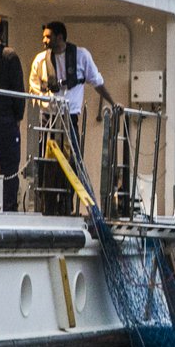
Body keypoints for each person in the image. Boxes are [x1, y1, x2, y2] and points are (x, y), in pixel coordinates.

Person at [28, 21, 117, 214]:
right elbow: (34, 86)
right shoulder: (40, 60)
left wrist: (112, 101)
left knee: (71, 160)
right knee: (47, 162)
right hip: (48, 119)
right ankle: (48, 204)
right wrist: (47, 99)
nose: (44, 40)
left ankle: (67, 201)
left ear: (60, 37)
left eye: (48, 37)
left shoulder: (81, 56)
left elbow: (96, 81)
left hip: (70, 117)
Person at [0, 14, 26, 213]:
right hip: (5, 119)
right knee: (10, 168)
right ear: (2, 32)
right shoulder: (9, 55)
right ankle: (9, 207)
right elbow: (18, 90)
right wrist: (18, 117)